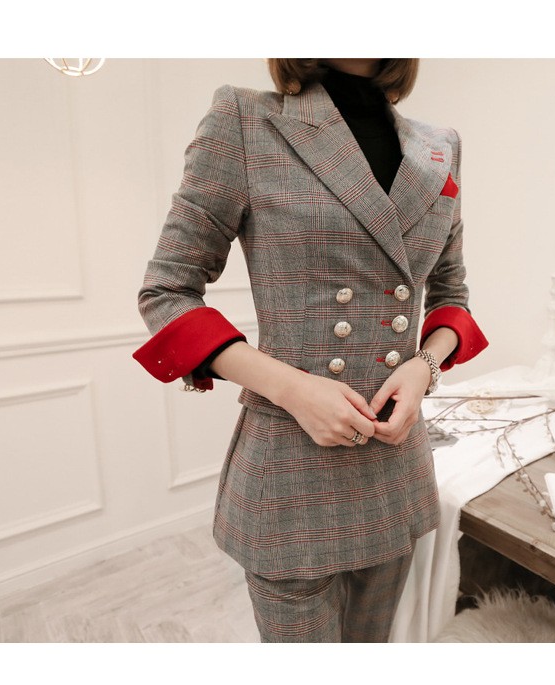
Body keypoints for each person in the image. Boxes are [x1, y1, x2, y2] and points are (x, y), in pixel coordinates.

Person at [133, 58, 488, 642]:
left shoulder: (439, 146)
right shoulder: (246, 120)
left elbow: (452, 295)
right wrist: (294, 389)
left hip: (394, 467)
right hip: (292, 472)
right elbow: (167, 291)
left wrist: (423, 369)